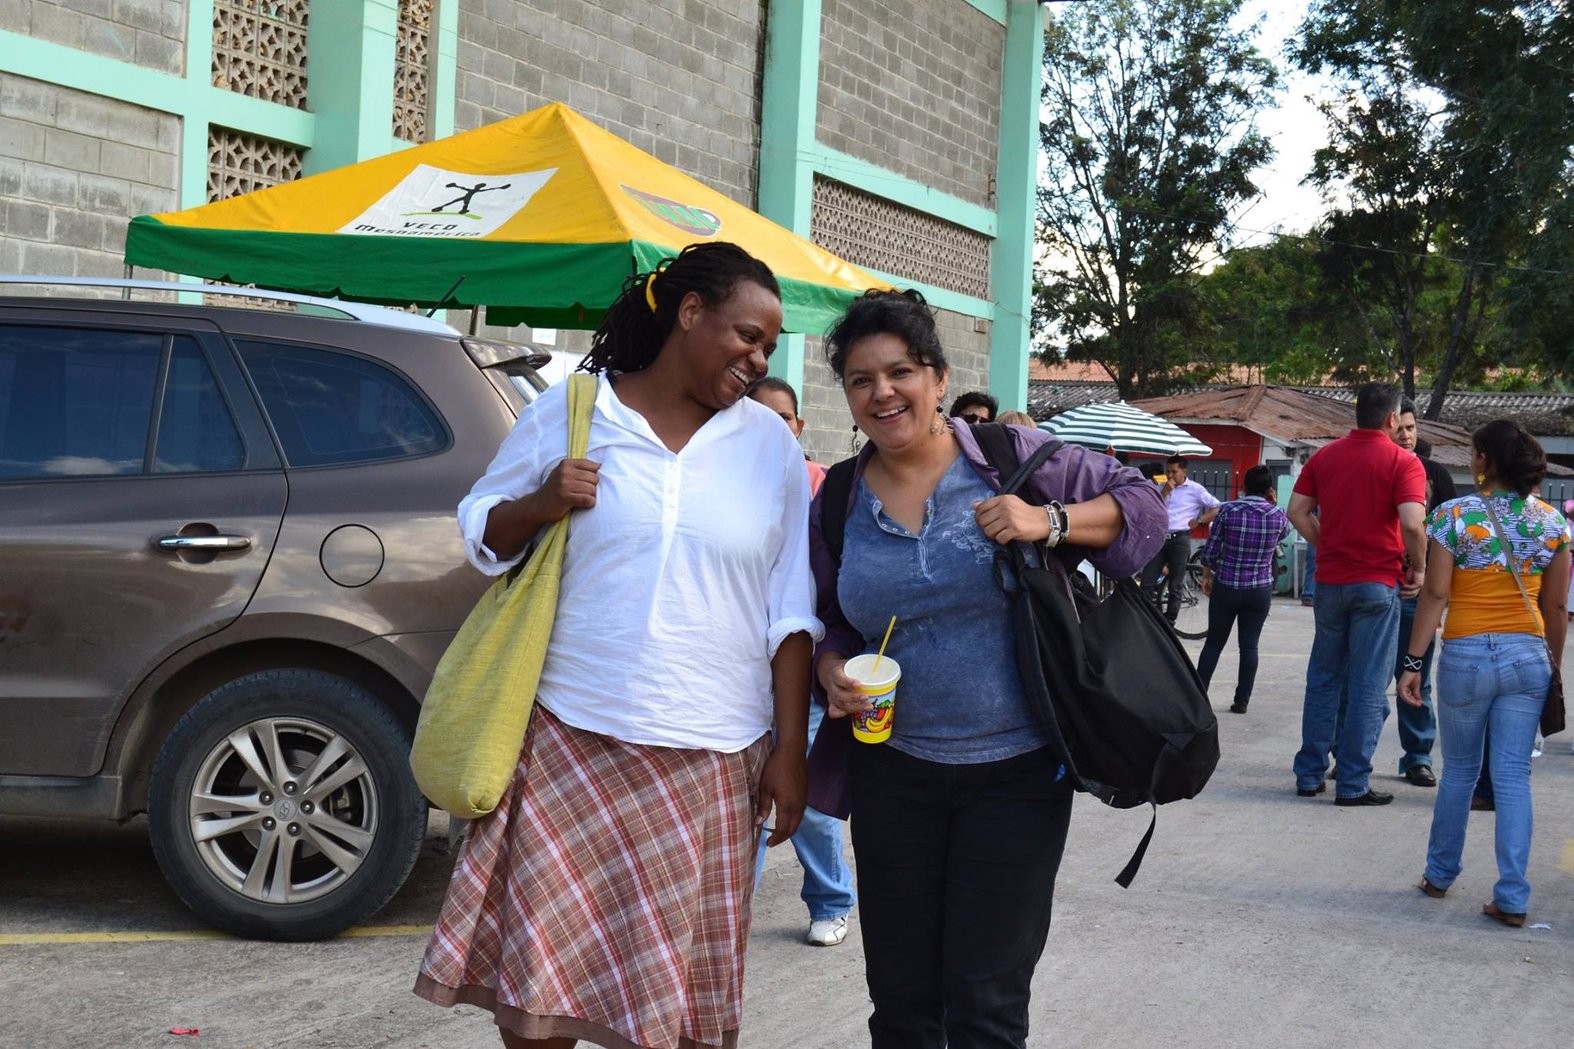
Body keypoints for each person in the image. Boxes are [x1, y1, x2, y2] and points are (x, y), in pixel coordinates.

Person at [414, 242, 823, 1049]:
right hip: (571, 734)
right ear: (689, 311)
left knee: (676, 1019)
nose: (759, 355)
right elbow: (480, 532)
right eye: (747, 333)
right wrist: (539, 501)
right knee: (540, 1000)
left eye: (770, 345)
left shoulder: (767, 446)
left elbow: (790, 608)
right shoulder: (574, 409)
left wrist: (789, 749)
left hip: (711, 754)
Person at [804, 289, 1164, 1049]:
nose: (882, 392)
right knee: (901, 1001)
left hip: (1018, 774)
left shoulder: (1010, 460)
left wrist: (1049, 520)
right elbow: (834, 616)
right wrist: (832, 664)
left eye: (900, 371)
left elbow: (1143, 509)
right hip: (891, 772)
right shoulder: (837, 494)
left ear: (937, 377)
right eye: (861, 379)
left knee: (986, 1003)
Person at [1400, 419, 1569, 927]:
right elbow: (1557, 608)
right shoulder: (1552, 524)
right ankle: (1513, 897)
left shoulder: (1452, 516)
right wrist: (1552, 668)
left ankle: (1439, 875)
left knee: (1460, 772)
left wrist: (1412, 662)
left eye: (1474, 452)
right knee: (1514, 776)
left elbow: (1434, 594)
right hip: (1528, 657)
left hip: (1467, 655)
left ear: (1483, 462)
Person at [746, 376, 857, 948]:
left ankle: (831, 900)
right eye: (755, 416)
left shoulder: (824, 491)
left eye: (781, 418)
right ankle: (734, 910)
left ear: (799, 427)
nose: (771, 429)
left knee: (808, 804)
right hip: (739, 680)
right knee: (747, 806)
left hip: (807, 677)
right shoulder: (725, 484)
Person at [1288, 382, 1427, 806]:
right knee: (1368, 684)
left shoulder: (1325, 456)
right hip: (1378, 583)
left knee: (1324, 678)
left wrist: (1326, 543)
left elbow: (1297, 511)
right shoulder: (1404, 463)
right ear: (1391, 418)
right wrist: (1418, 567)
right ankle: (1352, 783)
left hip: (1330, 582)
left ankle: (1310, 774)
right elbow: (1411, 524)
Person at [1386, 411, 1458, 786]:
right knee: (1364, 679)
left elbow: (1451, 537)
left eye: (1412, 428)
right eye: (1400, 429)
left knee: (1416, 679)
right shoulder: (1376, 468)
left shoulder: (1436, 476)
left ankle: (1417, 757)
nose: (1406, 435)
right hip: (1378, 589)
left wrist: (1431, 580)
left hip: (1419, 595)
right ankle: (1349, 752)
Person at [1196, 465, 1291, 714]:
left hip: (1227, 585)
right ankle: (1242, 700)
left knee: (1214, 643)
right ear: (1270, 490)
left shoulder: (1228, 511)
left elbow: (1211, 550)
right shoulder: (1277, 515)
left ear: (1244, 487)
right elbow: (1284, 534)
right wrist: (1273, 503)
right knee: (1249, 646)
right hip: (1259, 589)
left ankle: (1197, 697)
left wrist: (1207, 576)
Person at [1140, 455, 1221, 624]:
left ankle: (1169, 621)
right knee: (1147, 582)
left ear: (1184, 471)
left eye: (1174, 472)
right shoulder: (1161, 487)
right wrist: (1165, 491)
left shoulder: (1195, 489)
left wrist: (1199, 520)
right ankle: (1148, 619)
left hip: (1180, 539)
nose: (1170, 476)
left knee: (1175, 584)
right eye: (1168, 471)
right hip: (1160, 538)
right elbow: (1153, 508)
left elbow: (1217, 507)